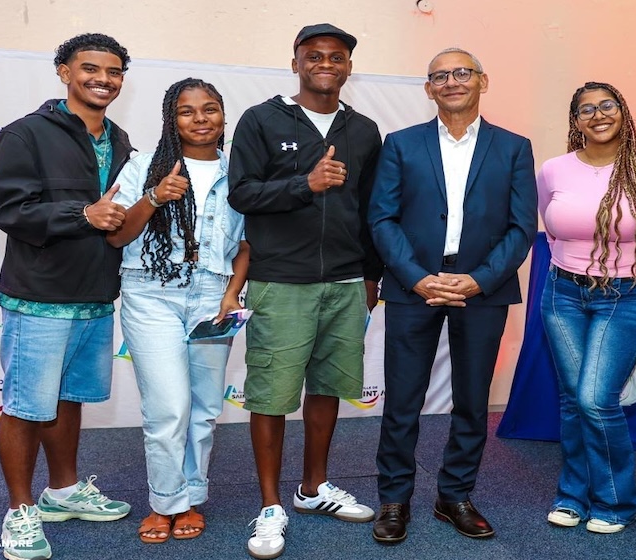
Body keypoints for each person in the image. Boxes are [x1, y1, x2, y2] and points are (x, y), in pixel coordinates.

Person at [368, 47, 538, 544]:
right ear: (428, 89)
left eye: (462, 72)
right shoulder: (401, 144)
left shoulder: (514, 147)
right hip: (413, 287)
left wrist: (480, 279)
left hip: (482, 290)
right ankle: (394, 499)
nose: (452, 82)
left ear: (483, 81)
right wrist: (417, 277)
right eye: (440, 76)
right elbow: (382, 218)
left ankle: (454, 496)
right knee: (402, 401)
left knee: (471, 400)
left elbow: (521, 226)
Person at [227, 23, 383, 560]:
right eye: (314, 56)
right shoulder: (261, 119)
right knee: (271, 396)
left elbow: (371, 209)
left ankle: (313, 488)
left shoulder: (363, 129)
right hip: (280, 281)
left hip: (345, 281)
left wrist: (371, 275)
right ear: (295, 63)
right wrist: (305, 184)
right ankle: (270, 505)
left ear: (348, 67)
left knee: (327, 388)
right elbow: (242, 193)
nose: (325, 64)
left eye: (336, 57)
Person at [0, 33, 133, 560]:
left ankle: (64, 491)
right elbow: (9, 210)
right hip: (39, 297)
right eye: (90, 68)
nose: (103, 79)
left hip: (95, 294)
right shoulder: (24, 134)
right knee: (26, 407)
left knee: (67, 399)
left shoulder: (121, 140)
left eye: (113, 71)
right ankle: (20, 509)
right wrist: (83, 214)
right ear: (64, 71)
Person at [106, 78, 248, 544]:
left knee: (205, 408)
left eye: (210, 108)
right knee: (169, 407)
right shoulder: (144, 165)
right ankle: (165, 501)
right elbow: (116, 235)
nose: (200, 118)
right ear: (172, 119)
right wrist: (154, 196)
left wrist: (232, 294)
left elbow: (250, 242)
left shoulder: (240, 170)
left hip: (214, 297)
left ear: (223, 115)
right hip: (152, 294)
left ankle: (190, 498)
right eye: (187, 111)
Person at [538, 82, 636, 534]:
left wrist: (635, 277)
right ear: (575, 120)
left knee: (596, 399)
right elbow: (551, 230)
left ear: (622, 112)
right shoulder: (554, 169)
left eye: (607, 105)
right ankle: (572, 496)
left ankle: (616, 502)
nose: (597, 115)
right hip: (562, 293)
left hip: (627, 295)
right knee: (572, 399)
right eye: (586, 110)